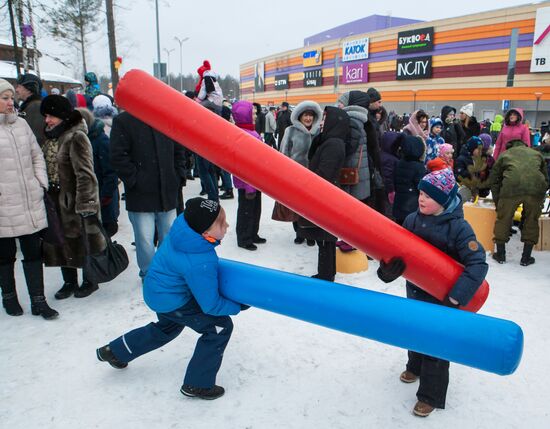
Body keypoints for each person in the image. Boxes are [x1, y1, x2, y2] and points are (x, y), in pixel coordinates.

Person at [96, 198, 248, 400]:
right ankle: (197, 384)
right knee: (219, 328)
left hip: (157, 292)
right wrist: (237, 305)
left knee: (166, 328)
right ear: (205, 233)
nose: (227, 226)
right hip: (173, 300)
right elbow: (210, 305)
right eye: (221, 224)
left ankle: (115, 351)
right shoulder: (199, 260)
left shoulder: (183, 233)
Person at [377, 167, 488, 417]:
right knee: (414, 331)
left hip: (444, 300)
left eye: (429, 195)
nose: (421, 198)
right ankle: (414, 367)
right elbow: (398, 255)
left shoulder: (459, 228)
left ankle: (430, 395)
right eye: (421, 193)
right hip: (415, 293)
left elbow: (478, 263)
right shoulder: (412, 220)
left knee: (436, 346)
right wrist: (387, 271)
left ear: (445, 200)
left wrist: (456, 297)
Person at [0, 79, 58, 319]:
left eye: (11, 97)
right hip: (4, 205)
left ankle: (38, 300)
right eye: (4, 98)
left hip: (29, 201)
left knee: (33, 253)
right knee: (5, 256)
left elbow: (37, 156)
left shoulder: (22, 125)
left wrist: (40, 183)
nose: (9, 102)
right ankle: (9, 298)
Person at [40, 95, 106, 299]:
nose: (47, 120)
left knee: (83, 240)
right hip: (54, 198)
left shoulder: (76, 136)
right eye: (46, 116)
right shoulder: (52, 136)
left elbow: (86, 173)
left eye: (51, 116)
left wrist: (85, 203)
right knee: (60, 240)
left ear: (62, 115)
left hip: (75, 200)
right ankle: (69, 281)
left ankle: (90, 279)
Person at [110, 111, 187, 280]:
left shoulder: (166, 118)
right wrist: (135, 180)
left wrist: (178, 175)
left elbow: (179, 150)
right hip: (141, 195)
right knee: (144, 239)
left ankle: (166, 271)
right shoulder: (125, 120)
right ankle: (149, 274)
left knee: (168, 236)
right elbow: (117, 156)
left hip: (167, 190)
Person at [297, 106, 349, 281]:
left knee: (326, 239)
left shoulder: (333, 144)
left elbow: (325, 174)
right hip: (326, 194)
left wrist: (307, 180)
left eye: (326, 119)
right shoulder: (331, 140)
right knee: (324, 238)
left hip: (325, 196)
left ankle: (326, 274)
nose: (322, 122)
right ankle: (326, 272)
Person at [489, 140, 549, 265]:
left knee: (503, 219)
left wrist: (498, 201)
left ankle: (500, 254)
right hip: (535, 188)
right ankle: (526, 258)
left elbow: (494, 179)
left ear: (509, 146)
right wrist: (541, 194)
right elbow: (545, 177)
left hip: (511, 187)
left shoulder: (505, 154)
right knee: (531, 220)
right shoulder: (536, 154)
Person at [280, 100, 323, 246]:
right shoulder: (290, 131)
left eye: (311, 115)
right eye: (305, 115)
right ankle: (299, 232)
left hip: (313, 176)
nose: (308, 118)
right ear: (299, 116)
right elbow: (284, 153)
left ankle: (310, 234)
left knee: (311, 207)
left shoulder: (319, 132)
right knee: (296, 206)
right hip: (295, 176)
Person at [337, 91, 371, 250]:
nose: (339, 105)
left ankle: (350, 241)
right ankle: (350, 240)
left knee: (349, 211)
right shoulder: (360, 120)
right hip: (358, 171)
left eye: (341, 102)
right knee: (354, 210)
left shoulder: (351, 121)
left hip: (350, 171)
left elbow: (348, 147)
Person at [78, 108, 120, 237]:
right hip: (91, 199)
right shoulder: (81, 140)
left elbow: (111, 172)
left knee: (104, 234)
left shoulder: (100, 140)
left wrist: (104, 197)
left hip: (102, 198)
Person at [231, 101, 266, 250]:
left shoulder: (251, 132)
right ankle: (244, 238)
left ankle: (252, 233)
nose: (255, 115)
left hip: (254, 181)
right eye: (252, 113)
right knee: (246, 210)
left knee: (255, 209)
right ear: (244, 116)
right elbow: (247, 164)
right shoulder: (244, 135)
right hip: (247, 183)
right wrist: (249, 186)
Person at [392, 136, 426, 225]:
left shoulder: (399, 163)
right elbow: (421, 187)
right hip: (412, 205)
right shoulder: (419, 167)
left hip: (399, 203)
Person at [15, 73, 45, 147]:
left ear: (29, 89)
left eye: (19, 87)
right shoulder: (30, 105)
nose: (16, 90)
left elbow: (36, 138)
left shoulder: (36, 106)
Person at [380, 132, 404, 216]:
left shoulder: (387, 155)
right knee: (389, 210)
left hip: (387, 189)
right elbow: (387, 176)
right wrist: (391, 190)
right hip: (389, 190)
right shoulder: (389, 159)